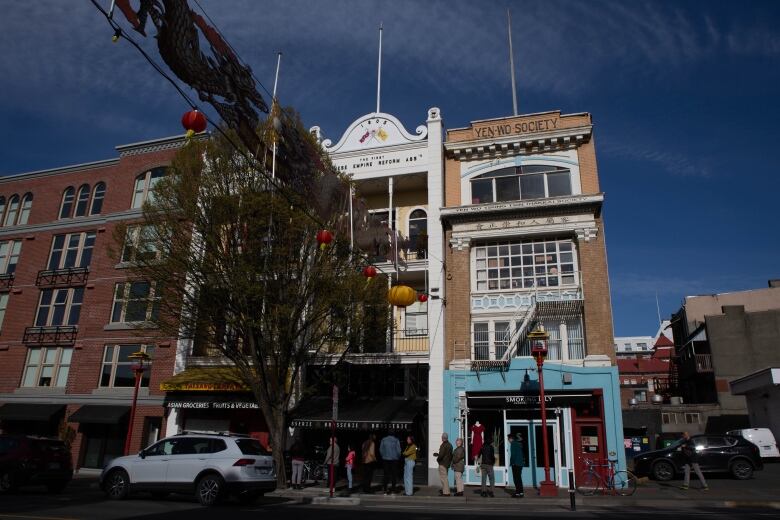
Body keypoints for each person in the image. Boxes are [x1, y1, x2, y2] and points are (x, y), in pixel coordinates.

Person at [508, 433, 524, 497]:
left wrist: (511, 462)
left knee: (516, 478)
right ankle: (521, 492)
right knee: (519, 478)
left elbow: (513, 454)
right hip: (520, 463)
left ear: (511, 439)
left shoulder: (513, 444)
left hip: (515, 463)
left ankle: (517, 493)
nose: (508, 440)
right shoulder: (518, 444)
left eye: (508, 439)